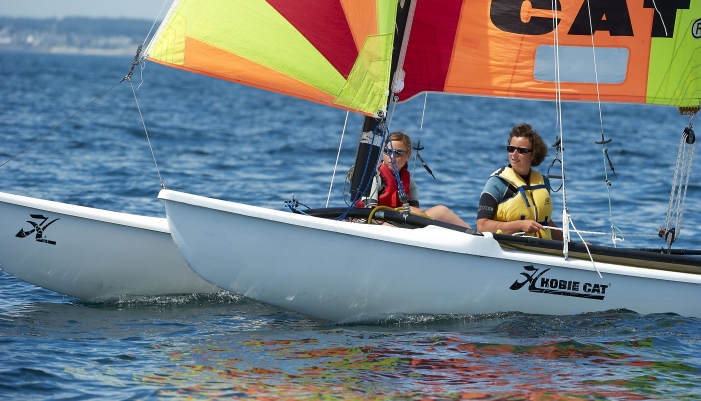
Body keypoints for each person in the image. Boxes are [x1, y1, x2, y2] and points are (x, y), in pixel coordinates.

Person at [476, 123, 563, 240]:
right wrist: (520, 225)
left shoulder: (543, 183)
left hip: (541, 248)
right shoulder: (496, 183)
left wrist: (574, 245)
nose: (514, 154)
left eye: (522, 151)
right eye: (511, 149)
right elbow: (482, 225)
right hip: (506, 247)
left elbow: (544, 222)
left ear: (533, 154)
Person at [365, 131, 470, 228]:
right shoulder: (374, 178)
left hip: (401, 222)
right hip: (377, 224)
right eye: (387, 151)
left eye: (398, 153)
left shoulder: (410, 184)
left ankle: (477, 237)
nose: (392, 156)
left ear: (408, 155)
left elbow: (416, 212)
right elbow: (370, 212)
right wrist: (396, 212)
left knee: (442, 211)